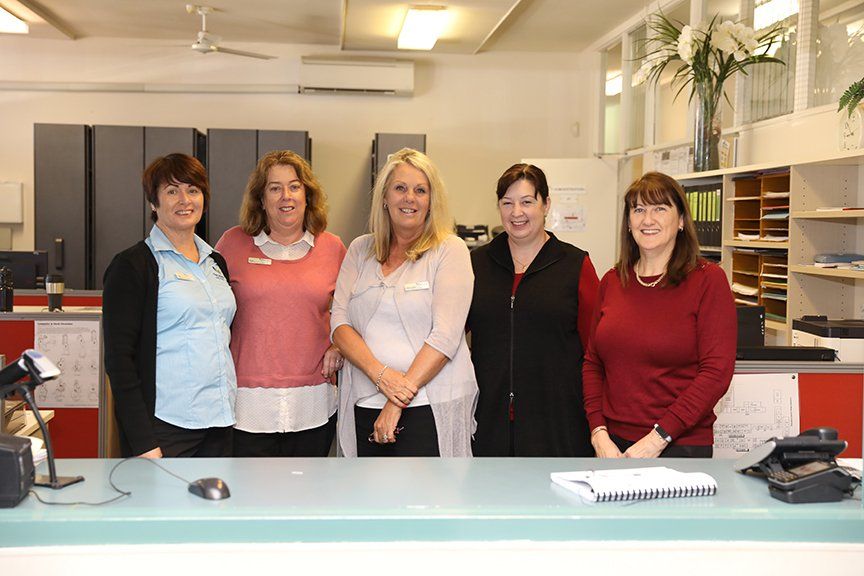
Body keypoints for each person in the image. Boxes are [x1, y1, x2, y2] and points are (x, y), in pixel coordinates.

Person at [331, 148, 478, 457]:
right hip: (364, 402)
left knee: (425, 503)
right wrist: (381, 376)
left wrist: (397, 400)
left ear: (430, 201)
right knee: (368, 502)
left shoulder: (449, 250)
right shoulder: (360, 250)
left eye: (420, 190)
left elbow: (446, 336)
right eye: (400, 188)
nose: (409, 198)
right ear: (385, 197)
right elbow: (339, 324)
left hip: (429, 405)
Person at [582, 171, 736, 459]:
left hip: (679, 444)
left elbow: (716, 373)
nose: (647, 219)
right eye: (638, 209)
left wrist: (658, 438)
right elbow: (592, 363)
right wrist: (598, 432)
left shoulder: (707, 280)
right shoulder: (613, 281)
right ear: (628, 223)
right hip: (612, 447)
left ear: (680, 221)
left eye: (659, 208)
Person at [103, 153, 236, 458]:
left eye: (193, 190)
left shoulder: (216, 262)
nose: (184, 200)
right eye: (171, 191)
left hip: (219, 421)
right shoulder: (133, 266)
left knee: (217, 506)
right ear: (153, 203)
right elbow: (119, 361)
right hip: (165, 428)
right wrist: (143, 441)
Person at [215, 150, 346, 457]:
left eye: (294, 186)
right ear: (261, 199)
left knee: (306, 498)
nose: (285, 196)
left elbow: (353, 313)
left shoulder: (333, 248)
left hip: (313, 402)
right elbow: (211, 312)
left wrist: (339, 347)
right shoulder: (231, 244)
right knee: (251, 501)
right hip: (247, 406)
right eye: (274, 188)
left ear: (307, 194)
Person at [467, 163, 600, 457]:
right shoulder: (477, 264)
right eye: (507, 203)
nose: (517, 213)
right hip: (490, 424)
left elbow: (596, 349)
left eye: (527, 202)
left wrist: (598, 423)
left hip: (558, 425)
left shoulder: (575, 265)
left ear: (546, 204)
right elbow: (449, 334)